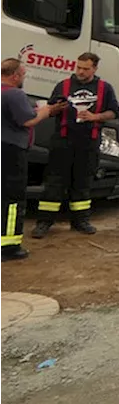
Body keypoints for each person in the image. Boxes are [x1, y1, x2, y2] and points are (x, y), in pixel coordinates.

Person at [32, 52, 119, 237]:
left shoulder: (105, 88)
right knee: (54, 183)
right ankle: (44, 222)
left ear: (95, 68)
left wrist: (95, 117)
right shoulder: (63, 85)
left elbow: (113, 112)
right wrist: (56, 108)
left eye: (85, 68)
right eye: (78, 67)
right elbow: (49, 108)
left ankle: (80, 221)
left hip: (88, 142)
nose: (80, 71)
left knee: (83, 183)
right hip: (62, 141)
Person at [1, 59, 66, 261]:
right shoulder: (14, 93)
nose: (23, 79)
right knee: (12, 199)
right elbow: (27, 120)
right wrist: (46, 112)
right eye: (23, 75)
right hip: (12, 151)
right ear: (15, 76)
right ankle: (9, 246)